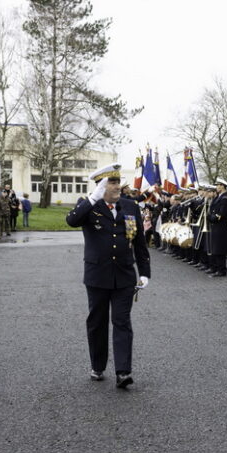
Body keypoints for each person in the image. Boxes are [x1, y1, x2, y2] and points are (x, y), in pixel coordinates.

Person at [65, 163, 151, 388]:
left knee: (122, 321)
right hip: (97, 275)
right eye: (111, 182)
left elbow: (140, 242)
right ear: (100, 186)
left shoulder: (130, 206)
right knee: (97, 321)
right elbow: (72, 221)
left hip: (124, 274)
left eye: (117, 182)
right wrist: (92, 198)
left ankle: (123, 371)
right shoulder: (88, 206)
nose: (116, 186)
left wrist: (145, 272)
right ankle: (98, 365)